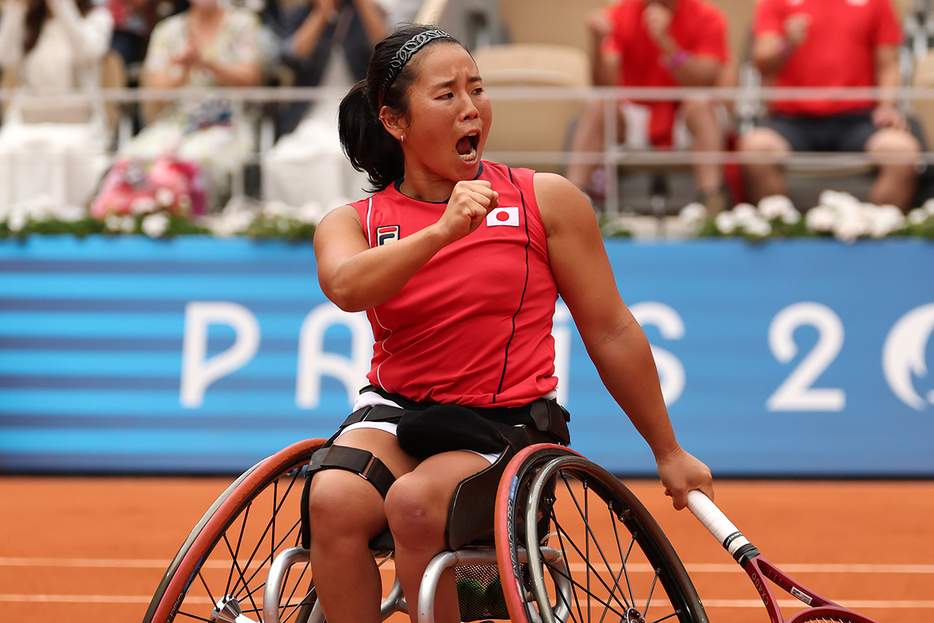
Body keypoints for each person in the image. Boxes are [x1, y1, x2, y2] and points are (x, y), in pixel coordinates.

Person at [308, 24, 714, 623]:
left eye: (477, 89)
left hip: (504, 421)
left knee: (416, 507)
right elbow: (345, 286)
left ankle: (490, 592)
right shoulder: (354, 220)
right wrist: (443, 230)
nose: (471, 108)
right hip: (395, 411)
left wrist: (668, 449)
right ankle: (482, 590)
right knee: (333, 499)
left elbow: (611, 330)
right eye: (446, 95)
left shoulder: (542, 200)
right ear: (396, 123)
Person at [739, 0, 920, 212]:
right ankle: (784, 230)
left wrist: (887, 105)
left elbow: (889, 63)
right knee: (754, 149)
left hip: (858, 119)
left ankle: (873, 231)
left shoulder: (876, 2)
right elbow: (761, 62)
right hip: (792, 119)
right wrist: (785, 43)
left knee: (903, 151)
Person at [566, 0, 733, 213]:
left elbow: (704, 81)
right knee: (601, 104)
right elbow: (604, 84)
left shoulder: (708, 15)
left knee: (700, 102)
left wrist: (665, 41)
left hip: (685, 114)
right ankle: (574, 197)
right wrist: (596, 41)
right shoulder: (619, 13)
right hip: (634, 113)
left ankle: (711, 198)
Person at [117, 0, 263, 210]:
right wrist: (184, 70)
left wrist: (206, 63)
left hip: (225, 122)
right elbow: (155, 93)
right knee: (133, 156)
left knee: (191, 159)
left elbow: (251, 80)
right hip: (174, 123)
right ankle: (144, 218)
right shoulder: (167, 30)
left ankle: (187, 221)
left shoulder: (243, 23)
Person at [260, 0, 405, 210]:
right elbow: (293, 55)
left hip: (358, 110)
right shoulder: (298, 15)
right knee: (279, 159)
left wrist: (364, 5)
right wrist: (321, 14)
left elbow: (387, 52)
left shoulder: (366, 14)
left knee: (336, 155)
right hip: (309, 112)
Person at [0, 0, 114, 208]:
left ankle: (63, 221)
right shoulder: (30, 19)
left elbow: (85, 52)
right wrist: (15, 9)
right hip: (29, 116)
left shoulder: (98, 17)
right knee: (7, 148)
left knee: (64, 149)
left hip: (78, 120)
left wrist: (61, 6)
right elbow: (5, 56)